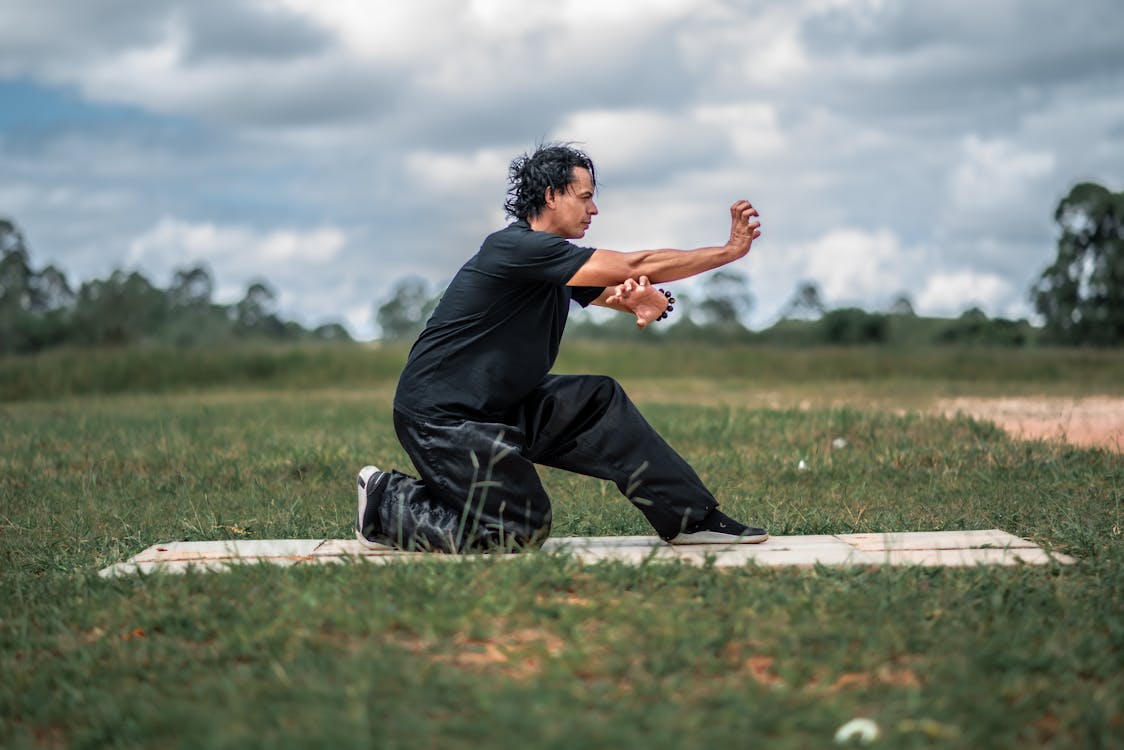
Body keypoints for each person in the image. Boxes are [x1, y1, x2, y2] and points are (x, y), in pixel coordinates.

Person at [356, 143, 767, 553]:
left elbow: (615, 291)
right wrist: (728, 252)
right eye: (586, 197)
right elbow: (631, 266)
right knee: (518, 529)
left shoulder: (550, 263)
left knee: (597, 401)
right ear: (551, 195)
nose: (594, 211)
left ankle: (689, 519)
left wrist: (649, 303)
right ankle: (385, 502)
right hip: (444, 417)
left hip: (498, 404)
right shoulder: (515, 248)